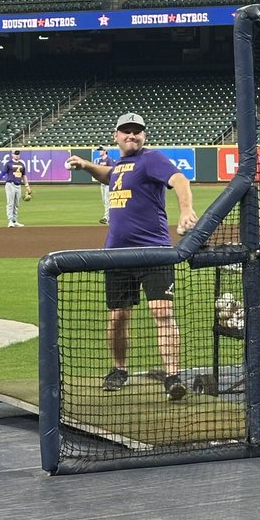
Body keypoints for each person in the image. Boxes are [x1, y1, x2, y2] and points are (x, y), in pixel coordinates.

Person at [68, 112, 198, 401]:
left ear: (143, 135)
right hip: (117, 255)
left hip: (155, 252)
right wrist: (86, 165)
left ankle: (172, 377)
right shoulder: (119, 165)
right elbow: (108, 175)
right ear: (116, 136)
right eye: (126, 131)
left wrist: (186, 209)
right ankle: (119, 369)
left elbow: (179, 179)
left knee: (162, 312)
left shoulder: (152, 159)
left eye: (136, 131)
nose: (131, 135)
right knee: (118, 317)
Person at [0, 148, 30, 227]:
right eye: (15, 154)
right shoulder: (9, 164)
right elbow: (3, 172)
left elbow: (24, 175)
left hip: (18, 185)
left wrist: (27, 186)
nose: (17, 155)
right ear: (12, 155)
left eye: (18, 154)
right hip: (10, 184)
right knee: (10, 203)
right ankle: (10, 221)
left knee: (16, 204)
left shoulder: (22, 164)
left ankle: (14, 220)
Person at [93, 145, 112, 223]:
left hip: (108, 184)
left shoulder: (109, 160)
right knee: (105, 201)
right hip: (102, 184)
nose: (99, 152)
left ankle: (106, 218)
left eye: (101, 150)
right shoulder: (100, 161)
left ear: (105, 151)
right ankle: (109, 217)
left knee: (107, 201)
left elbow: (112, 171)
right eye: (99, 150)